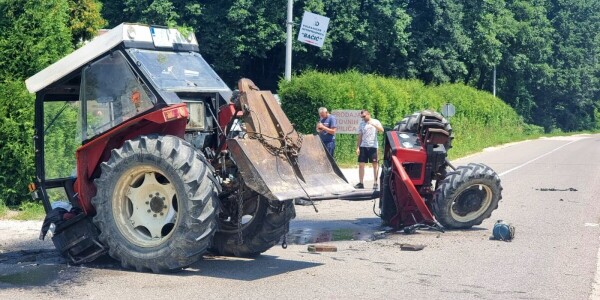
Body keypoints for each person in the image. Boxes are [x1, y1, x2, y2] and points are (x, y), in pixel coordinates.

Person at [355, 109, 384, 189]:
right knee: (361, 164)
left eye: (364, 116)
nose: (363, 118)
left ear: (368, 114)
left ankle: (375, 182)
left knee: (375, 164)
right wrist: (358, 147)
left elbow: (382, 130)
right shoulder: (361, 123)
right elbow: (360, 136)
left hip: (373, 146)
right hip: (363, 146)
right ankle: (361, 183)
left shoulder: (375, 121)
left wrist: (374, 125)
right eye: (362, 117)